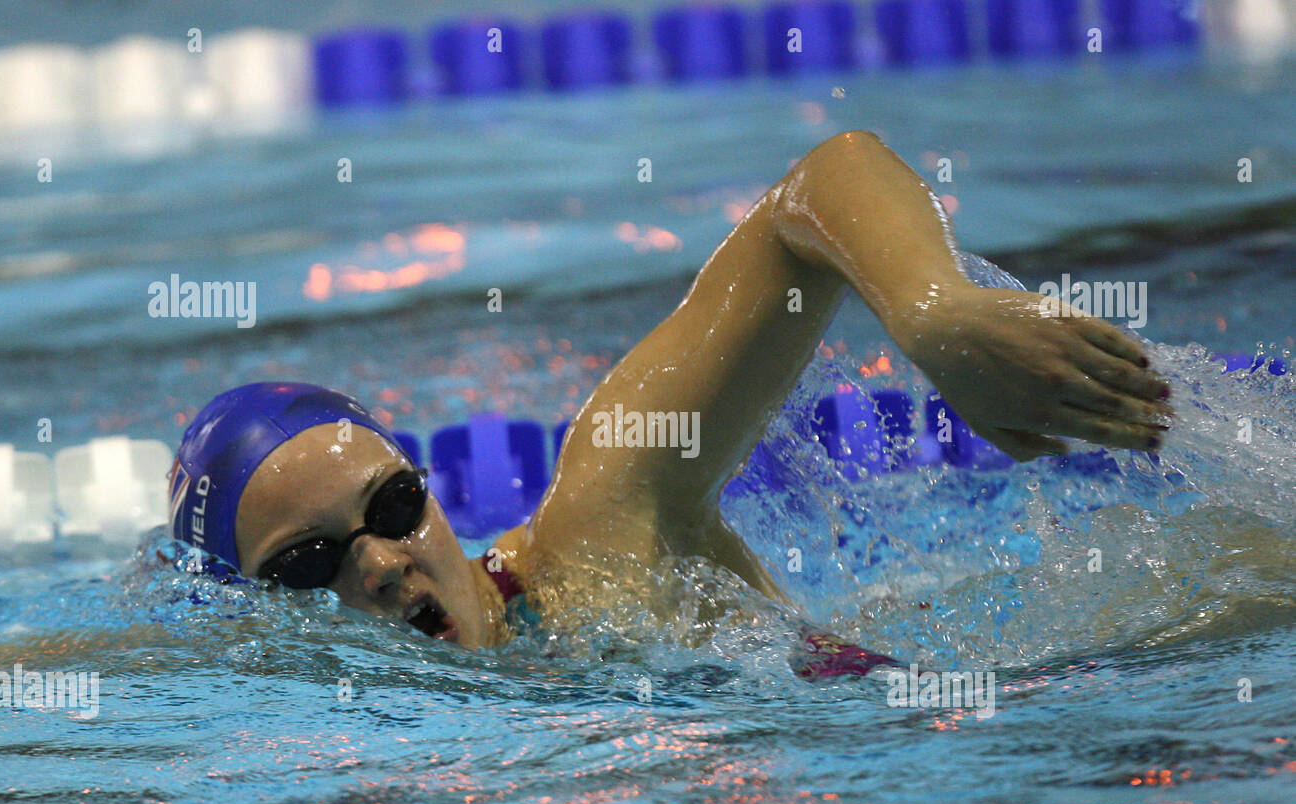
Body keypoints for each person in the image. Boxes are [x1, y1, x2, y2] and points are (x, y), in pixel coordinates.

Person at [167, 131, 1172, 672]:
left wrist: (937, 312)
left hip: (1094, 682)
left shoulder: (600, 531)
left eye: (391, 508)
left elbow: (814, 191)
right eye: (306, 564)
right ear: (258, 620)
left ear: (429, 491)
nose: (383, 565)